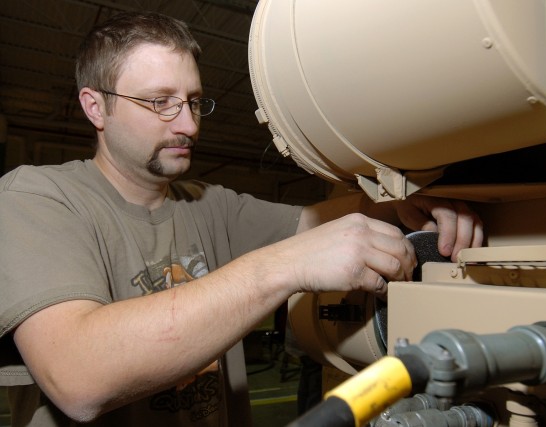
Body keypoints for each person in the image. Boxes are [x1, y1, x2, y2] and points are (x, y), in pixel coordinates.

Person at [0, 11, 483, 427]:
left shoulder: (209, 204)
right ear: (94, 107)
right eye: (159, 102)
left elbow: (326, 219)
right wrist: (282, 265)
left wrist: (407, 205)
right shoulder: (39, 197)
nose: (188, 124)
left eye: (193, 101)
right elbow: (78, 378)